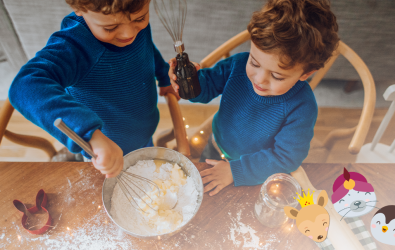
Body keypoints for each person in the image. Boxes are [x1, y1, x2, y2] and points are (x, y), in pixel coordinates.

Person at [169, 0, 339, 196]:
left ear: (305, 74)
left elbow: (286, 158)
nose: (259, 79)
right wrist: (189, 84)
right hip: (216, 146)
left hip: (258, 170)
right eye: (254, 62)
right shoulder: (238, 65)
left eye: (276, 76)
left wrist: (235, 171)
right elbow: (205, 89)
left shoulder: (302, 106)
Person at [8, 0, 178, 178]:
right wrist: (90, 135)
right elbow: (25, 85)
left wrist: (164, 76)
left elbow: (146, 50)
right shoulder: (74, 47)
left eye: (141, 18)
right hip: (104, 150)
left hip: (143, 131)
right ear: (78, 9)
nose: (129, 33)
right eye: (110, 27)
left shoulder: (130, 17)